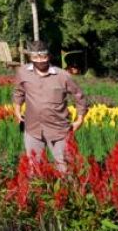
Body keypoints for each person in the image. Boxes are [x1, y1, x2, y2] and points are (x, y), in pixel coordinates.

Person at [12, 41, 88, 170]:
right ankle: (39, 190)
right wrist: (17, 110)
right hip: (33, 129)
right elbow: (19, 91)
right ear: (30, 57)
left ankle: (67, 189)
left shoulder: (62, 76)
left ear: (49, 56)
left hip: (59, 130)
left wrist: (80, 119)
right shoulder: (23, 72)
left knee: (66, 168)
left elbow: (79, 97)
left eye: (43, 56)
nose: (40, 60)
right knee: (35, 168)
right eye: (36, 57)